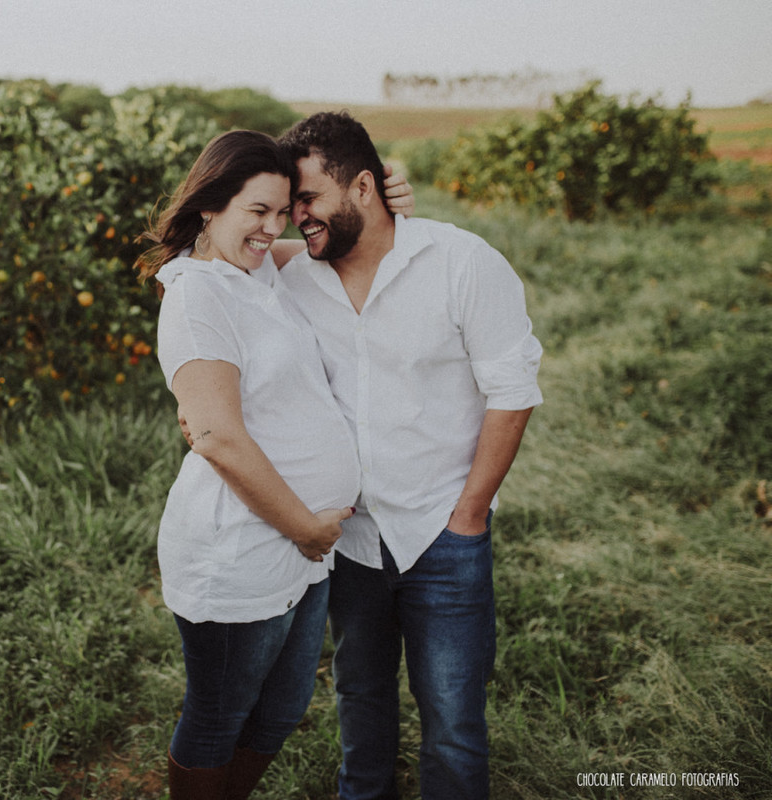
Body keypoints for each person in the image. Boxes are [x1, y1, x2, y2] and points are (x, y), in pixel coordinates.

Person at [134, 129, 414, 800]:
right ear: (210, 206)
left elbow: (343, 244)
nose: (273, 227)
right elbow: (217, 436)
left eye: (283, 210)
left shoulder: (259, 269)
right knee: (219, 714)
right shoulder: (200, 295)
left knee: (282, 710)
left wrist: (389, 200)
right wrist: (309, 530)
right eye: (256, 210)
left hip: (302, 547)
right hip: (247, 547)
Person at [272, 111, 543, 800]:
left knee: (452, 721)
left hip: (442, 532)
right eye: (288, 204)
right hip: (349, 539)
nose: (295, 217)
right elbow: (209, 258)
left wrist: (471, 514)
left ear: (363, 186)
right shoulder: (296, 278)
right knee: (359, 705)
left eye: (307, 199)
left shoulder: (461, 262)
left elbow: (512, 392)